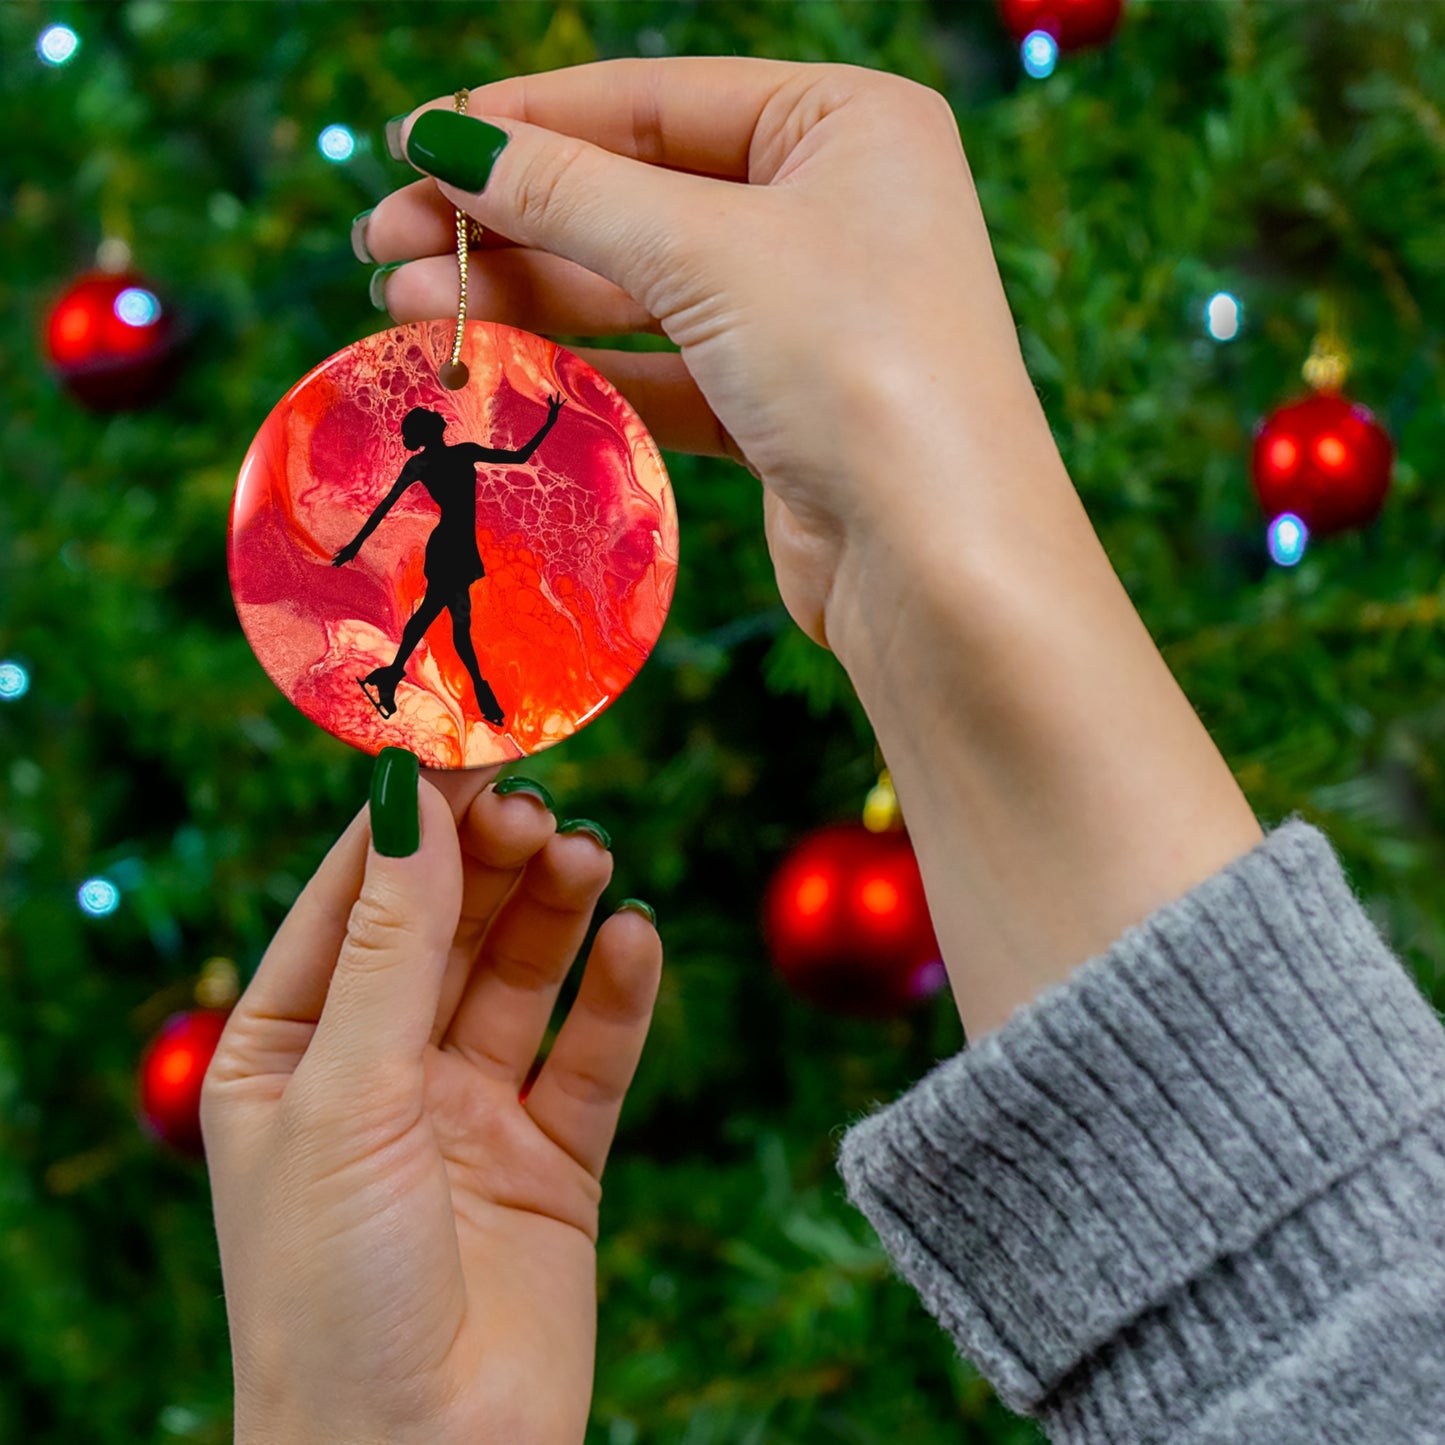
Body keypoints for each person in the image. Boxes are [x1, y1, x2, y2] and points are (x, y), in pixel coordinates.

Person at [200, 57, 1445, 1445]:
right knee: (449, 632)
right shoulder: (427, 453)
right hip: (446, 580)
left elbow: (1342, 1338)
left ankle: (457, 664)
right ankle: (455, 663)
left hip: (471, 576)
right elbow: (1339, 1334)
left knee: (458, 636)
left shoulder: (452, 452)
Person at [333, 396, 565, 726]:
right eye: (431, 415)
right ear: (430, 429)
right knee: (453, 624)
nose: (438, 415)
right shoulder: (442, 459)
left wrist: (549, 423)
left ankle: (396, 675)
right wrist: (355, 545)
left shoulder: (448, 457)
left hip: (456, 546)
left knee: (440, 617)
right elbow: (384, 506)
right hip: (449, 549)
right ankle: (480, 697)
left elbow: (520, 458)